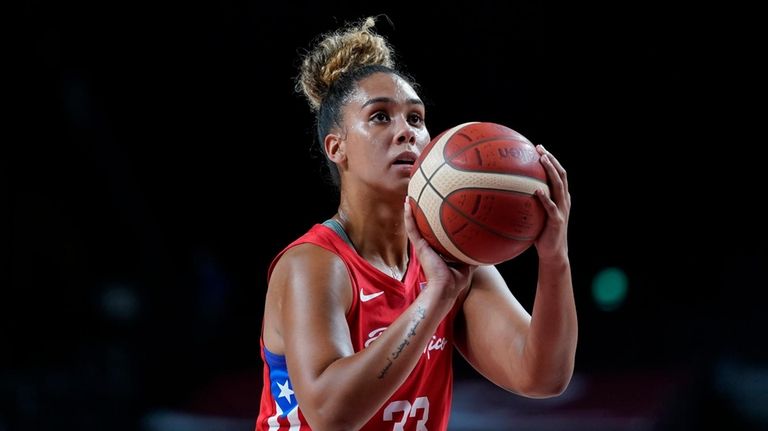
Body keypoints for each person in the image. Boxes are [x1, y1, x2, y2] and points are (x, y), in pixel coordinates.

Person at [256, 16, 577, 431]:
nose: (406, 132)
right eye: (379, 117)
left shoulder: (457, 261)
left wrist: (554, 258)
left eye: (416, 118)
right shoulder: (314, 264)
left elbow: (543, 377)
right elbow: (331, 415)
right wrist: (435, 299)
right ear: (337, 148)